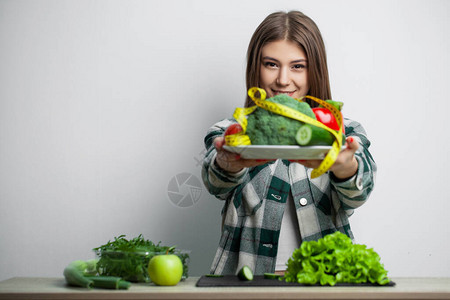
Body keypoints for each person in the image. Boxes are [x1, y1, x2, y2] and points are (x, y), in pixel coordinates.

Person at [201, 10, 376, 276]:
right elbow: (216, 184)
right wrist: (227, 164)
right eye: (271, 64)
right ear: (255, 68)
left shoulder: (342, 131)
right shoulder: (233, 131)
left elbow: (359, 193)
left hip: (323, 283)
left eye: (297, 66)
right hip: (245, 283)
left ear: (314, 70)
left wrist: (345, 166)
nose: (283, 79)